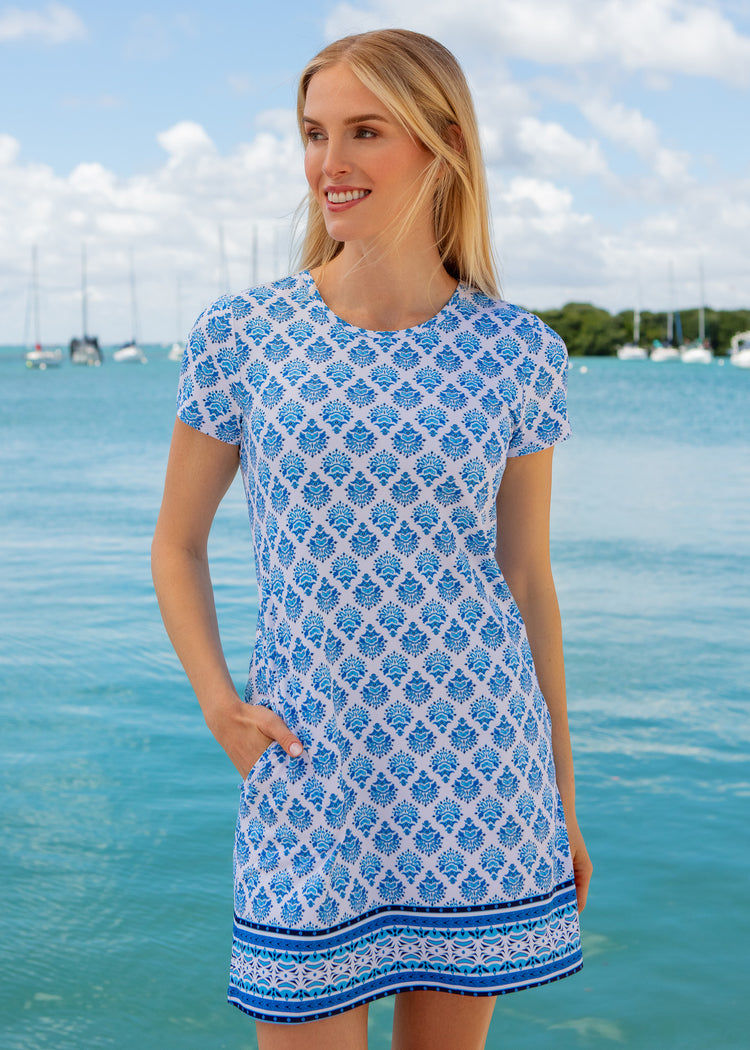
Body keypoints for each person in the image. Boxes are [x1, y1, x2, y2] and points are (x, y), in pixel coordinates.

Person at [152, 27, 592, 1050]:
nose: (327, 164)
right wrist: (222, 707)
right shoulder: (242, 335)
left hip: (482, 770)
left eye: (362, 132)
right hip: (310, 766)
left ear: (441, 143)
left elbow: (527, 579)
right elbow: (177, 544)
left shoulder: (521, 352)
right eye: (312, 134)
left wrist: (562, 798)